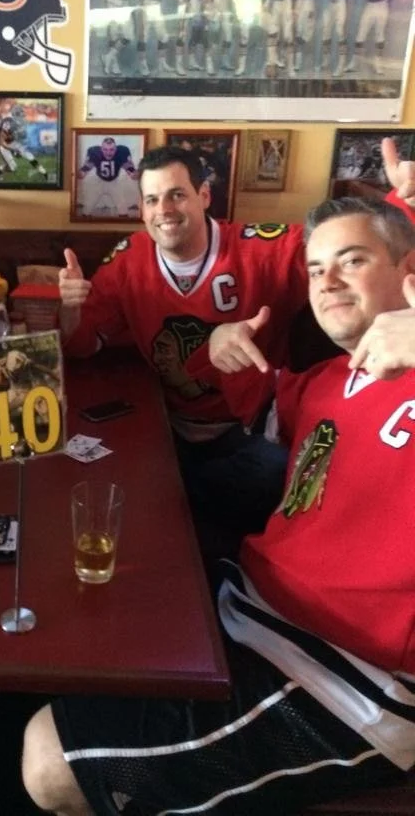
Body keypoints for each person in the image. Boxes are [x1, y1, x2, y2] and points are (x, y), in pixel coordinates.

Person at [23, 195, 415, 816]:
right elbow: (267, 399)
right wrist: (221, 344)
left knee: (48, 758)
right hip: (249, 605)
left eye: (352, 260)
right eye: (315, 269)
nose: (327, 281)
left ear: (409, 275)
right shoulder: (329, 382)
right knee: (61, 623)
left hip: (348, 682)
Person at [59, 143, 307, 535]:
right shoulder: (128, 259)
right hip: (168, 426)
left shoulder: (259, 247)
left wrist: (402, 205)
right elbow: (81, 345)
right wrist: (71, 309)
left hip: (246, 431)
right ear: (141, 209)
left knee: (269, 472)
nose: (164, 210)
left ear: (204, 196)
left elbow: (344, 247)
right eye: (152, 199)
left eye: (177, 195)